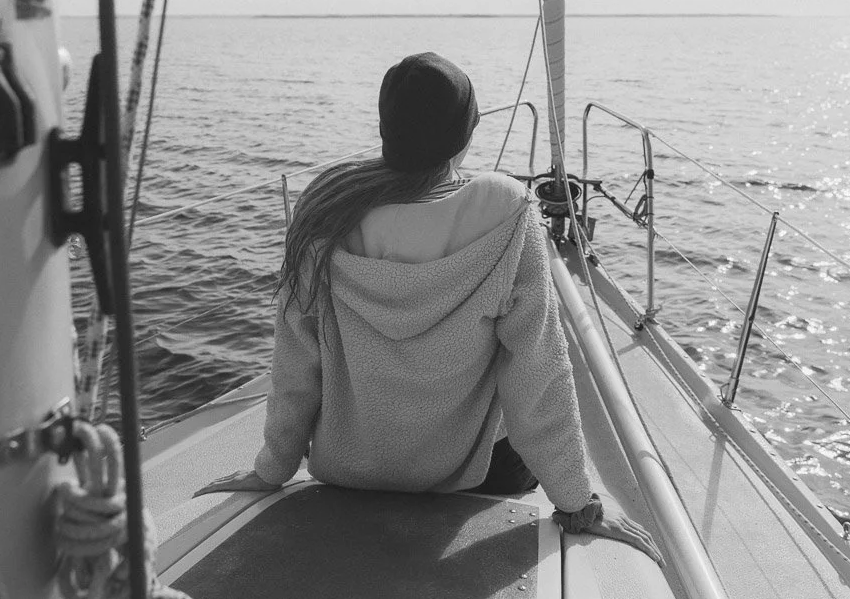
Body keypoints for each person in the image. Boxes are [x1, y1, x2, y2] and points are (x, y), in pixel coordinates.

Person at [199, 52, 661, 564]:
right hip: (479, 471)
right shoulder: (507, 213)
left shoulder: (325, 211)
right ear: (464, 135)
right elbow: (538, 372)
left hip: (354, 467)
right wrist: (578, 503)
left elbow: (295, 364)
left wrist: (272, 468)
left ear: (385, 127)